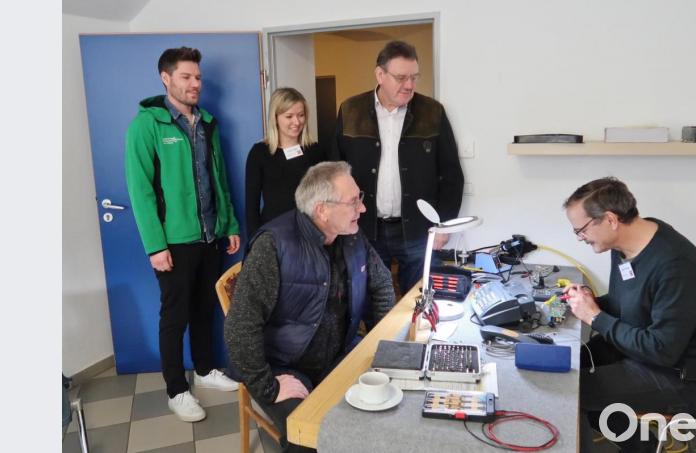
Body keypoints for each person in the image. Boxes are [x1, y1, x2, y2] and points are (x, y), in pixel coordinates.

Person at [224, 161, 395, 452]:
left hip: (339, 352)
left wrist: (385, 348)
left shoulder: (352, 236)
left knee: (389, 407)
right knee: (306, 438)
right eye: (353, 202)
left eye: (360, 198)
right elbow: (240, 326)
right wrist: (269, 385)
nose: (362, 209)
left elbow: (381, 287)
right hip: (286, 365)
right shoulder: (274, 245)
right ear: (322, 210)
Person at [562, 177, 696, 452]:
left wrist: (595, 317)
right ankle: (641, 447)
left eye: (581, 229)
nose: (580, 237)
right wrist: (590, 303)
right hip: (638, 351)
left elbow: (662, 350)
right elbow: (627, 303)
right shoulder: (625, 245)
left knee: (571, 393)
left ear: (611, 219)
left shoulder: (674, 265)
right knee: (564, 366)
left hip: (678, 374)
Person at [125, 47, 241, 423]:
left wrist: (230, 224)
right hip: (173, 242)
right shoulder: (147, 125)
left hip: (210, 237)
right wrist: (155, 246)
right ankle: (177, 389)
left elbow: (219, 178)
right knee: (174, 316)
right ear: (166, 78)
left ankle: (205, 370)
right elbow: (140, 190)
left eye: (198, 77)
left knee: (206, 309)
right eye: (187, 77)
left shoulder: (207, 122)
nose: (195, 84)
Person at [329, 40, 464, 295]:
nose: (410, 85)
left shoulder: (432, 112)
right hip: (365, 227)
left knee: (422, 300)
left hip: (418, 230)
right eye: (401, 77)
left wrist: (444, 225)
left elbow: (451, 175)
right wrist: (339, 220)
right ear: (380, 75)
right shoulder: (350, 111)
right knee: (367, 300)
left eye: (414, 77)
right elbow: (335, 172)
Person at [245, 87, 325, 238]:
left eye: (301, 115)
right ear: (275, 117)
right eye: (289, 116)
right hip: (275, 234)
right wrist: (254, 243)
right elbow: (251, 207)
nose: (296, 122)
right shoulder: (260, 153)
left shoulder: (316, 151)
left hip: (310, 233)